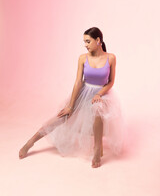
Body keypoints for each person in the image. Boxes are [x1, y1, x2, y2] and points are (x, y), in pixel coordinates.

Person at [19, 27, 125, 168]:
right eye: (84, 42)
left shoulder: (111, 58)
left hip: (102, 95)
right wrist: (71, 105)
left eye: (88, 41)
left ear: (98, 40)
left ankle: (98, 149)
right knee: (62, 116)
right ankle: (30, 142)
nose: (85, 45)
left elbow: (111, 82)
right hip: (84, 92)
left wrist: (99, 94)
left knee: (98, 109)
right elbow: (78, 82)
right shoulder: (83, 58)